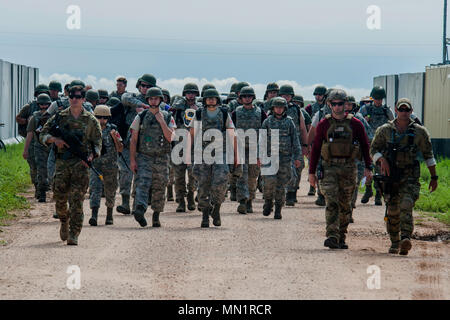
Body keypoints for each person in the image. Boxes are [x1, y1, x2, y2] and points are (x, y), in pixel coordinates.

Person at [370, 98, 437, 255]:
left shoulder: (420, 132)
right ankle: (395, 242)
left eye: (407, 110)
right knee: (393, 211)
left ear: (411, 111)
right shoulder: (385, 130)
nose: (404, 113)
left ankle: (405, 238)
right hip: (390, 176)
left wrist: (434, 177)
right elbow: (373, 149)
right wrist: (381, 159)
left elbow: (429, 156)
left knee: (406, 204)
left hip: (410, 176)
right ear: (396, 110)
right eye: (401, 109)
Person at [309, 89, 372, 249]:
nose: (338, 107)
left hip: (349, 168)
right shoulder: (324, 124)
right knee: (332, 202)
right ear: (329, 105)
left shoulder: (355, 124)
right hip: (329, 168)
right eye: (334, 104)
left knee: (346, 205)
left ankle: (341, 236)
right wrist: (311, 172)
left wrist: (368, 167)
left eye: (341, 104)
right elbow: (316, 148)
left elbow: (365, 145)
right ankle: (332, 235)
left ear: (347, 105)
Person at [39, 85, 102, 245]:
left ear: (83, 99)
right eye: (72, 96)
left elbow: (97, 143)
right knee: (59, 199)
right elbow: (43, 134)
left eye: (78, 96)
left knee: (77, 201)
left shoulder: (91, 120)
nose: (74, 99)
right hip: (62, 164)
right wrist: (54, 140)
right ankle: (63, 220)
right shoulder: (59, 117)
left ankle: (74, 234)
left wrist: (91, 155)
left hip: (81, 167)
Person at [189, 88, 238, 227]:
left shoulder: (223, 113)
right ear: (204, 100)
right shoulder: (198, 114)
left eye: (213, 97)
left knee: (221, 182)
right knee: (203, 184)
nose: (211, 99)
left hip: (220, 153)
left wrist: (235, 155)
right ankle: (205, 215)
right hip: (202, 154)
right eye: (208, 98)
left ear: (217, 99)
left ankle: (216, 209)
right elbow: (192, 134)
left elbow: (231, 134)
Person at [129, 88, 176, 227]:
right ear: (148, 100)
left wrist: (161, 122)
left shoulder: (168, 117)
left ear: (160, 100)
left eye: (156, 98)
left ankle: (156, 215)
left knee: (159, 186)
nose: (153, 101)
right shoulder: (141, 116)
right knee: (142, 183)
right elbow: (133, 140)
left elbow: (171, 137)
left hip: (162, 157)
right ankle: (140, 210)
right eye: (151, 99)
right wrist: (132, 160)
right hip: (144, 156)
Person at [117, 74, 156, 215]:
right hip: (128, 143)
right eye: (143, 85)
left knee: (142, 175)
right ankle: (125, 202)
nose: (145, 88)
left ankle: (136, 204)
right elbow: (124, 98)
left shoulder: (156, 101)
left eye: (148, 86)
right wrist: (141, 105)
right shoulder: (132, 98)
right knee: (125, 173)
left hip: (146, 145)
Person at [261, 97, 302, 219]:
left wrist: (298, 157)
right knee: (268, 182)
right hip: (270, 158)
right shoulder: (267, 122)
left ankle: (278, 208)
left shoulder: (290, 122)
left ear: (285, 109)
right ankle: (268, 202)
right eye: (276, 107)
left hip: (285, 158)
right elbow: (262, 140)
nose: (279, 109)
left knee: (281, 184)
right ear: (272, 108)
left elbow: (295, 141)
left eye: (281, 107)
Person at [231, 86, 267, 214]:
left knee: (253, 177)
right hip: (240, 149)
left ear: (253, 97)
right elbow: (230, 131)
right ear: (240, 98)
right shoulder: (235, 113)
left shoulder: (261, 113)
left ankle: (250, 200)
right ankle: (242, 201)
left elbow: (265, 133)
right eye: (244, 96)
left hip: (255, 150)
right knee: (241, 176)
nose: (247, 98)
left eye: (249, 96)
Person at [88, 105, 123, 226]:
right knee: (95, 189)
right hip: (96, 166)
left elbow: (120, 148)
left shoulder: (113, 130)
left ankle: (109, 215)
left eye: (104, 117)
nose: (102, 120)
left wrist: (115, 139)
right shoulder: (91, 130)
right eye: (99, 117)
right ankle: (94, 215)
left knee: (110, 190)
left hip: (111, 166)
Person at [359, 86, 394, 205]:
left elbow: (393, 124)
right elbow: (358, 122)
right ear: (372, 98)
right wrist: (365, 120)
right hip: (368, 143)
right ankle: (368, 190)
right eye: (376, 98)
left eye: (380, 99)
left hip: (382, 145)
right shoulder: (365, 109)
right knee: (367, 168)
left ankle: (378, 194)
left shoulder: (386, 111)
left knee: (380, 170)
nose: (378, 101)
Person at [170, 83, 201, 212]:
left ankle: (190, 197)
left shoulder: (200, 108)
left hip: (194, 146)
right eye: (188, 92)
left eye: (193, 92)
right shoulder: (178, 107)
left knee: (193, 174)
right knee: (179, 176)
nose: (190, 95)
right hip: (179, 145)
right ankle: (181, 201)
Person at [344, 96, 373, 223]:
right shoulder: (335, 119)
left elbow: (369, 136)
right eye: (345, 104)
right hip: (340, 158)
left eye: (350, 105)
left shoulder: (359, 119)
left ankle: (349, 211)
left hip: (357, 158)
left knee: (354, 185)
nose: (347, 107)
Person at [279, 84, 309, 206]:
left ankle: (292, 193)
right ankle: (282, 194)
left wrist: (305, 145)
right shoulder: (274, 108)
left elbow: (302, 128)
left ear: (291, 96)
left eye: (288, 95)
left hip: (294, 144)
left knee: (297, 168)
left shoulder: (296, 109)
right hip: (278, 145)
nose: (286, 97)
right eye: (283, 95)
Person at [22, 93, 53, 202]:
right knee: (41, 170)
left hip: (52, 147)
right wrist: (25, 150)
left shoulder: (54, 116)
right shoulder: (34, 118)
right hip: (39, 147)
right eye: (42, 104)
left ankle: (55, 193)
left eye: (46, 104)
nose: (44, 106)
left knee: (53, 170)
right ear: (38, 105)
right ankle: (42, 193)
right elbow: (29, 134)